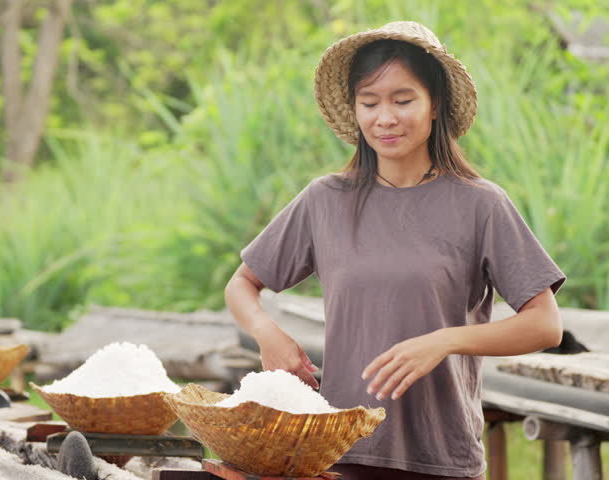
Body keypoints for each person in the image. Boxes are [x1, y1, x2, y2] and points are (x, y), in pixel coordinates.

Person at [224, 21, 565, 480]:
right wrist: (268, 334)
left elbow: (545, 324)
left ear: (434, 104)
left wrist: (444, 341)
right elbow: (242, 284)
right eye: (370, 102)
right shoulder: (325, 199)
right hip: (339, 453)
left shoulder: (480, 204)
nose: (385, 118)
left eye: (403, 100)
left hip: (442, 456)